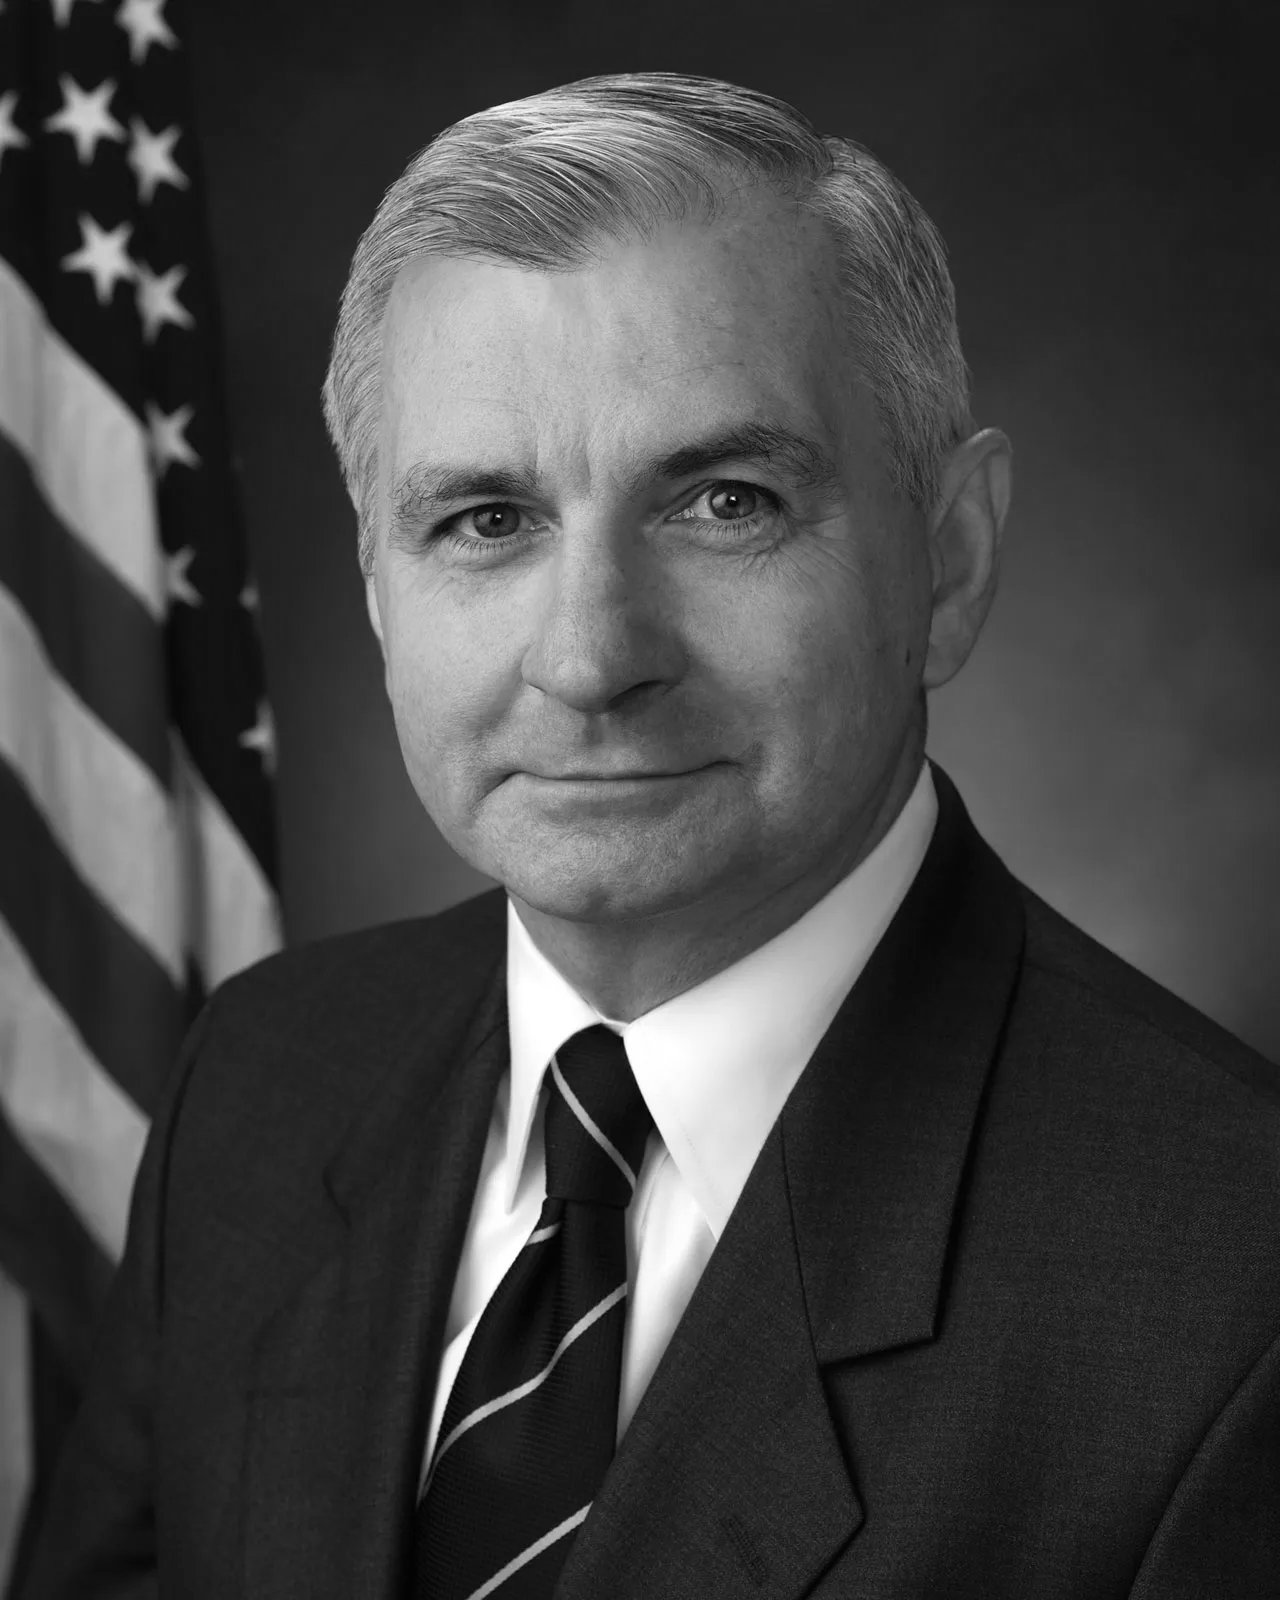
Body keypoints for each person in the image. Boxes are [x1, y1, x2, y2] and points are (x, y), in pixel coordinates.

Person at [24, 71, 1280, 1600]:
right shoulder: (263, 1083)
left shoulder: (1229, 1297)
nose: (590, 654)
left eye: (725, 503)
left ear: (948, 562)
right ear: (374, 590)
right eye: (484, 520)